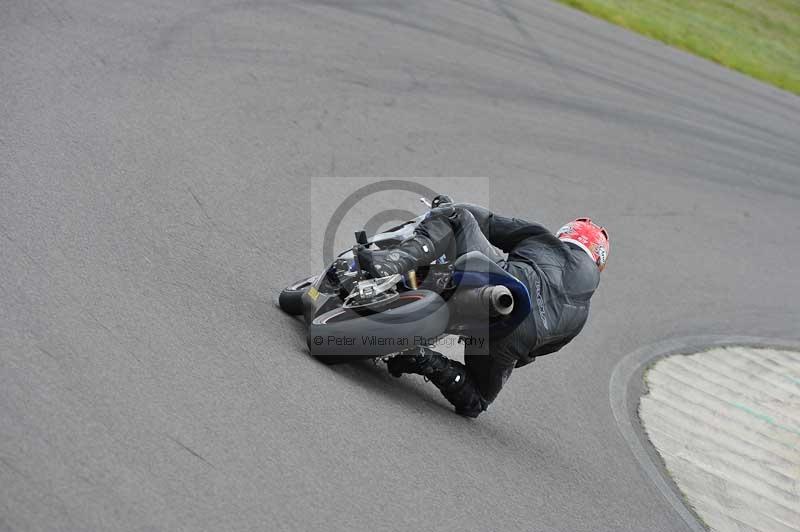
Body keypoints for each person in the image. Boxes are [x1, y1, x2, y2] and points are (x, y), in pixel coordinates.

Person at [357, 195, 609, 418]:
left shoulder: (544, 240)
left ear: (566, 234)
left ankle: (394, 262)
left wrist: (447, 206)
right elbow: (534, 352)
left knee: (455, 217)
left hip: (498, 280)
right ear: (598, 263)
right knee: (477, 400)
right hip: (508, 337)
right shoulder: (581, 316)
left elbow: (485, 221)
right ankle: (424, 359)